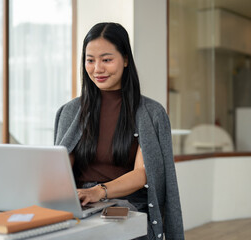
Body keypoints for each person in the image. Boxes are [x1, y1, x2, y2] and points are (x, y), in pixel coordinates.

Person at [54, 22, 184, 240]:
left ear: (125, 60)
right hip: (81, 204)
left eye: (106, 60)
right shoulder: (69, 111)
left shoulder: (151, 113)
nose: (97, 69)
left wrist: (99, 192)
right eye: (90, 60)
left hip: (127, 204)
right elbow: (60, 169)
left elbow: (142, 173)